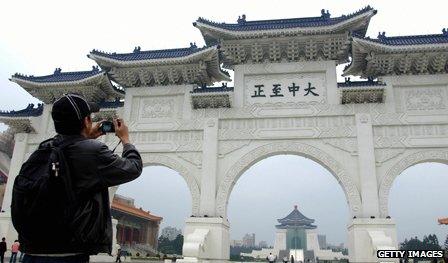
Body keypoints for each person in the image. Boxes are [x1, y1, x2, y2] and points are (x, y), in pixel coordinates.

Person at [19, 94, 143, 262]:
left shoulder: (43, 149)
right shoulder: (92, 151)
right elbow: (133, 168)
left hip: (32, 253)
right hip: (68, 254)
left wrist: (85, 138)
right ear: (86, 121)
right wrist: (126, 140)